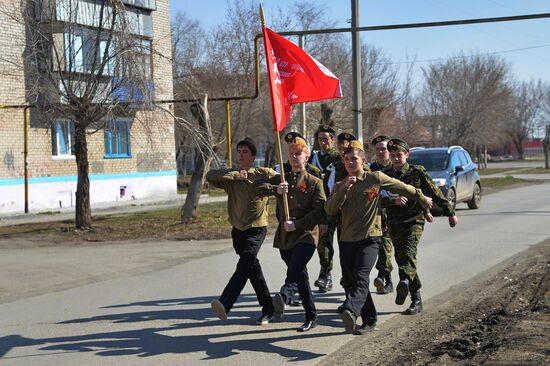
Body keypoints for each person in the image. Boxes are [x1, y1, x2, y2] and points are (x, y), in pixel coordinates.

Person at [325, 140, 433, 334]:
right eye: (347, 159)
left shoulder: (374, 178)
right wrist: (343, 189)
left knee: (361, 277)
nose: (350, 162)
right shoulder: (340, 185)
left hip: (370, 238)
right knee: (353, 280)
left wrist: (421, 197)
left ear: (363, 160)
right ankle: (370, 320)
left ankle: (351, 309)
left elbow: (401, 187)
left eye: (354, 159)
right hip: (347, 240)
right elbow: (330, 209)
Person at [256, 136, 326, 332]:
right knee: (301, 276)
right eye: (292, 154)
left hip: (306, 234)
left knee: (295, 269)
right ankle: (311, 316)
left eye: (299, 153)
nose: (295, 157)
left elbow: (320, 211)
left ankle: (285, 295)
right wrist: (275, 189)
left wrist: (298, 224)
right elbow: (257, 188)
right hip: (286, 237)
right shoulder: (282, 179)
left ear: (307, 156)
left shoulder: (314, 181)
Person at [383, 138, 458, 315]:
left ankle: (406, 285)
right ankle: (414, 294)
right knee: (402, 259)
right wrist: (391, 201)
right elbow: (376, 198)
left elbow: (435, 191)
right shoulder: (385, 175)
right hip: (394, 222)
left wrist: (450, 212)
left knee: (408, 254)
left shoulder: (417, 172)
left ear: (406, 155)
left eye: (399, 155)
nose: (395, 158)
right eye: (392, 155)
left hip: (414, 220)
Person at [205, 138, 276, 325]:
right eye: (239, 151)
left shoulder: (263, 173)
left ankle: (225, 302)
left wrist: (269, 185)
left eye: (246, 152)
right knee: (253, 269)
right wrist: (235, 176)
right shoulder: (232, 176)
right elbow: (210, 176)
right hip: (238, 229)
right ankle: (268, 308)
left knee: (246, 263)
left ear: (253, 155)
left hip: (256, 228)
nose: (241, 155)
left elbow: (280, 179)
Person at [308, 125, 340, 293]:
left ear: (332, 140)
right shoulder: (313, 159)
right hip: (322, 206)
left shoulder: (338, 158)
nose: (322, 143)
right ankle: (325, 274)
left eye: (326, 139)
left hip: (337, 204)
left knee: (345, 243)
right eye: (320, 139)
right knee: (324, 241)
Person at [368, 135, 395, 295]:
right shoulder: (371, 169)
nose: (380, 151)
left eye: (383, 148)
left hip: (393, 215)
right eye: (377, 149)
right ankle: (386, 279)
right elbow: (369, 194)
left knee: (386, 248)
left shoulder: (395, 168)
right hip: (376, 215)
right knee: (381, 248)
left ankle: (384, 276)